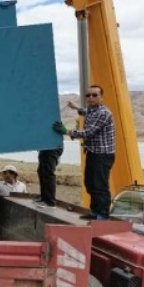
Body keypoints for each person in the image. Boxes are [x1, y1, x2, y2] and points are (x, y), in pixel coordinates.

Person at [53, 84, 115, 220]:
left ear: (101, 98)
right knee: (90, 183)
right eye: (88, 95)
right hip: (93, 153)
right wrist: (76, 107)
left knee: (100, 185)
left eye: (94, 95)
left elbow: (88, 132)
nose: (91, 97)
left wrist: (67, 131)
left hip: (103, 155)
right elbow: (85, 112)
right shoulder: (92, 111)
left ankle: (102, 215)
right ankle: (94, 212)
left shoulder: (104, 113)